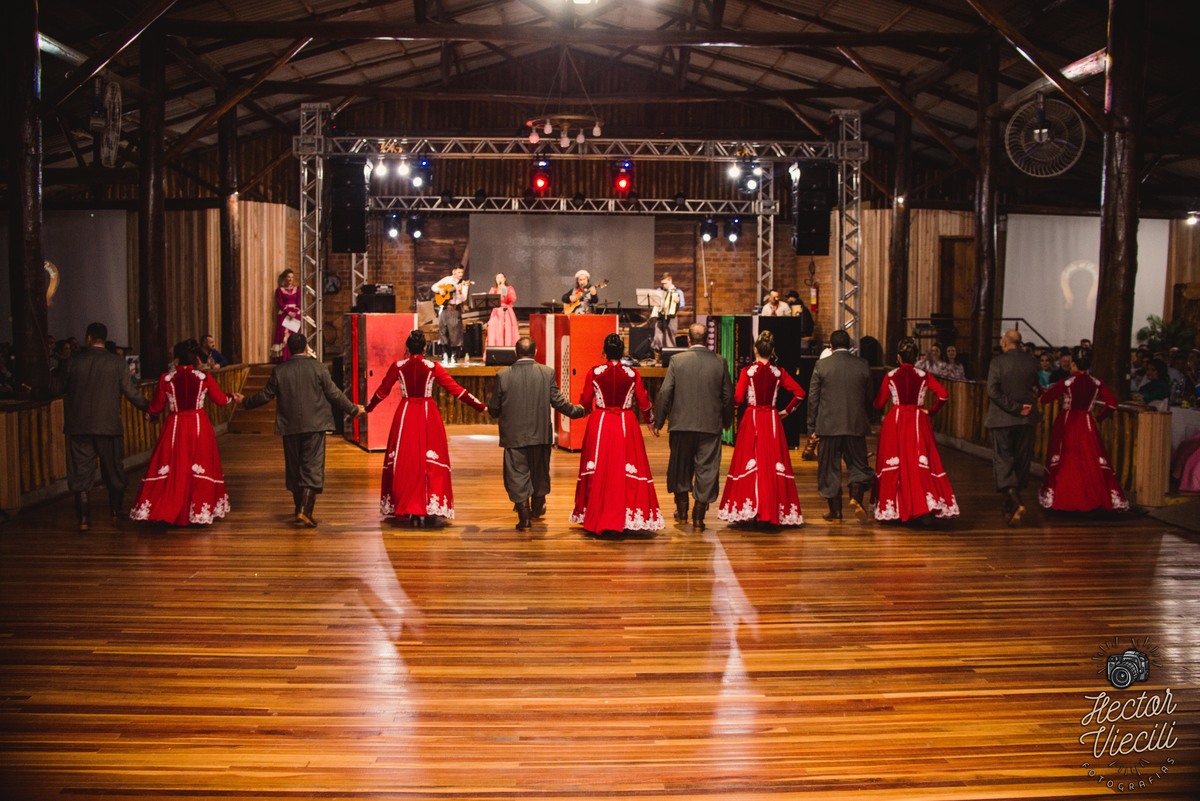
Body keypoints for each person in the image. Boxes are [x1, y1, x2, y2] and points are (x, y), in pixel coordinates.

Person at [241, 332, 365, 527]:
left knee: (294, 469)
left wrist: (245, 402)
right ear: (306, 347)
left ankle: (299, 509)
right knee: (312, 467)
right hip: (315, 425)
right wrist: (353, 409)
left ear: (289, 349)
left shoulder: (280, 371)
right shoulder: (319, 368)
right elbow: (334, 394)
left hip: (289, 426)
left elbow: (265, 395)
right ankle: (304, 511)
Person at [365, 329, 486, 526]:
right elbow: (456, 390)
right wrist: (480, 406)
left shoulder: (398, 367)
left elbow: (382, 391)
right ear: (425, 347)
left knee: (406, 460)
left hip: (405, 415)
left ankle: (409, 508)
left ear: (407, 347)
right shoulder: (432, 367)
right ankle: (430, 506)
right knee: (429, 460)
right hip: (428, 415)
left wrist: (368, 408)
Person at [129, 341, 239, 525]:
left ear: (176, 359)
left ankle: (168, 508)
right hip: (198, 425)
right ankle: (197, 511)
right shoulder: (203, 377)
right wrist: (232, 397)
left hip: (175, 426)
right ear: (195, 358)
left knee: (174, 466)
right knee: (198, 464)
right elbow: (220, 400)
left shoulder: (166, 379)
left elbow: (156, 407)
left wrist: (148, 415)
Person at [56, 321, 152, 530]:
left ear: (88, 338)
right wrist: (149, 407)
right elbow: (130, 392)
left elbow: (56, 388)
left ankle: (83, 519)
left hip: (79, 425)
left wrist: (30, 392)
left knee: (80, 471)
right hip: (108, 425)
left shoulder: (73, 362)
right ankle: (115, 510)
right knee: (113, 469)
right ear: (104, 339)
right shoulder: (116, 362)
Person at [569, 333, 664, 536]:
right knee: (625, 465)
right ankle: (626, 515)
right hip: (625, 423)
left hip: (601, 423)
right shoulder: (632, 374)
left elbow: (585, 400)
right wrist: (650, 423)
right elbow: (643, 400)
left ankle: (596, 513)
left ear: (604, 351)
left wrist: (584, 410)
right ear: (622, 352)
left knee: (600, 467)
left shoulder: (595, 372)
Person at [487, 336, 586, 529]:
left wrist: (494, 410)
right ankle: (537, 508)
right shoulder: (547, 373)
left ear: (515, 353)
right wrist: (579, 411)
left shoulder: (503, 375)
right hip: (540, 434)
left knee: (517, 475)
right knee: (540, 473)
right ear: (536, 352)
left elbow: (494, 407)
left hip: (514, 436)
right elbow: (559, 403)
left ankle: (524, 517)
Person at [716, 330, 805, 529]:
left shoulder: (747, 372)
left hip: (753, 418)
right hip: (772, 420)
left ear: (755, 349)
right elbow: (800, 393)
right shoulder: (779, 373)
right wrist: (786, 411)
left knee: (750, 461)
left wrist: (724, 413)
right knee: (771, 463)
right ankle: (772, 508)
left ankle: (751, 507)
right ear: (772, 351)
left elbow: (738, 399)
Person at [651, 322, 735, 530]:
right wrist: (726, 422)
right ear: (707, 340)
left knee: (680, 468)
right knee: (707, 469)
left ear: (688, 340)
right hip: (710, 426)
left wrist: (658, 421)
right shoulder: (720, 362)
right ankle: (699, 516)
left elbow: (665, 392)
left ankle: (682, 513)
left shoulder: (677, 361)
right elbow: (728, 396)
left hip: (681, 425)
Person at [872, 337, 959, 523]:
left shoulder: (891, 375)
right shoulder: (924, 375)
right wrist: (932, 411)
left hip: (895, 422)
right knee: (918, 462)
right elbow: (943, 395)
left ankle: (894, 508)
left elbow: (879, 403)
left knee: (895, 462)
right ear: (916, 357)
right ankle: (923, 504)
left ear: (898, 357)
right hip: (918, 421)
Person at [1038, 347, 1129, 513]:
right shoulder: (1096, 383)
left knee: (1066, 458)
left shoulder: (1067, 383)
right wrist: (1098, 418)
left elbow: (1044, 399)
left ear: (1073, 364)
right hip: (1087, 423)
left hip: (1067, 422)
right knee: (1090, 458)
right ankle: (1095, 497)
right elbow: (1112, 404)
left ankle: (1064, 497)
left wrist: (1041, 391)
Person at [807, 329, 873, 522]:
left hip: (828, 426)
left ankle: (835, 510)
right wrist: (865, 418)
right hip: (855, 424)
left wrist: (812, 427)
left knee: (829, 468)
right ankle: (856, 497)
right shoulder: (862, 365)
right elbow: (869, 397)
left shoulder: (821, 365)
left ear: (830, 346)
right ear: (850, 345)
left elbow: (813, 399)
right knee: (859, 464)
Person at [985, 329, 1042, 526]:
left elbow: (993, 391)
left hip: (1003, 418)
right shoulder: (1032, 362)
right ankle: (1009, 506)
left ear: (1006, 342)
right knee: (1021, 461)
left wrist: (1015, 407)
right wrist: (1023, 407)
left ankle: (1016, 501)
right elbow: (1036, 388)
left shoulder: (998, 362)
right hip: (1026, 419)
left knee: (1003, 459)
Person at [432, 263, 471, 363]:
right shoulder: (447, 280)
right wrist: (440, 290)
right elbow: (433, 287)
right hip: (444, 309)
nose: (461, 274)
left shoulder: (463, 283)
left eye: (462, 272)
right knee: (442, 331)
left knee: (455, 334)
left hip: (454, 310)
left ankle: (454, 355)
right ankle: (444, 354)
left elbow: (463, 298)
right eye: (459, 272)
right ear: (454, 272)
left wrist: (460, 291)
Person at [650, 272, 685, 356]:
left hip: (671, 317)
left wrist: (678, 301)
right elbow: (653, 302)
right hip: (660, 316)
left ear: (670, 281)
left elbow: (682, 305)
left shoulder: (678, 292)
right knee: (657, 337)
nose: (664, 285)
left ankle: (670, 357)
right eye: (662, 283)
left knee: (670, 337)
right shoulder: (659, 290)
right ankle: (657, 357)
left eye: (665, 283)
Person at [272, 269, 301, 362]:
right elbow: (280, 303)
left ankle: (295, 356)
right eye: (288, 277)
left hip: (295, 315)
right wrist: (288, 312)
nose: (290, 279)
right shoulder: (280, 290)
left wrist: (294, 312)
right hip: (284, 314)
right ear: (285, 278)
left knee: (294, 335)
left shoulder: (297, 289)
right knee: (283, 335)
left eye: (292, 277)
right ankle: (284, 358)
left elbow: (299, 303)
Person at [486, 272, 519, 349]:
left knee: (507, 330)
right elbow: (489, 300)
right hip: (496, 312)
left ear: (504, 279)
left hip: (506, 311)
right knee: (495, 330)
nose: (499, 279)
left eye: (501, 277)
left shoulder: (509, 288)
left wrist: (504, 289)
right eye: (498, 278)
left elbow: (512, 299)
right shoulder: (493, 289)